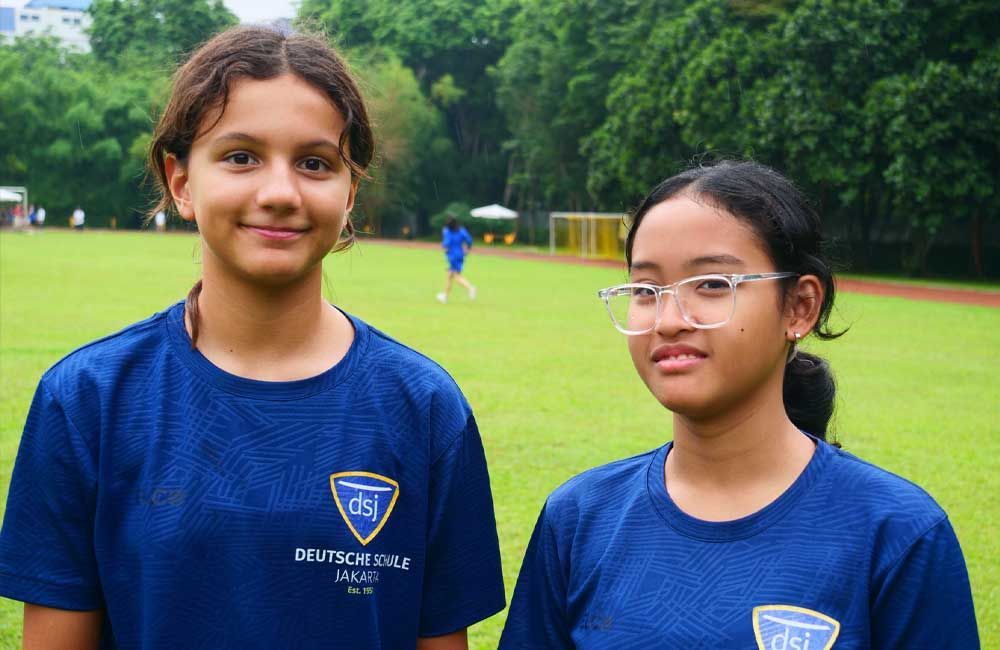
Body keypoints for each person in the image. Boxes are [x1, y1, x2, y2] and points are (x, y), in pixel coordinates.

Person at [0, 25, 504, 649]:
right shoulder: (86, 401)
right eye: (241, 156)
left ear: (351, 191)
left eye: (315, 163)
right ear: (181, 182)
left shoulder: (424, 408)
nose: (279, 192)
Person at [499, 160, 978, 648]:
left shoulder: (896, 535)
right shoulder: (579, 518)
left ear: (799, 307)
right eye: (645, 290)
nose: (667, 320)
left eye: (711, 284)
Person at [437, 216, 476, 303]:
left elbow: (446, 244)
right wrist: (468, 249)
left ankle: (470, 288)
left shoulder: (448, 232)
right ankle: (444, 296)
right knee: (450, 276)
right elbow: (469, 240)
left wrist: (444, 242)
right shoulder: (462, 231)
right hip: (460, 255)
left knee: (456, 276)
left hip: (452, 257)